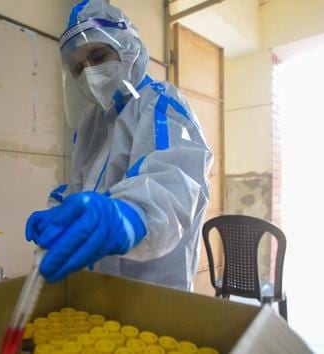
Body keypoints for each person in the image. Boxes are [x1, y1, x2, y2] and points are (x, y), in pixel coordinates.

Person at [25, 0, 212, 290]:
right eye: (77, 68)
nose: (88, 72)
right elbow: (83, 188)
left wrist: (130, 216)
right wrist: (60, 211)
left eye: (98, 55)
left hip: (154, 290)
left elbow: (176, 186)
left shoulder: (160, 104)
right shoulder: (92, 126)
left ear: (127, 48)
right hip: (97, 286)